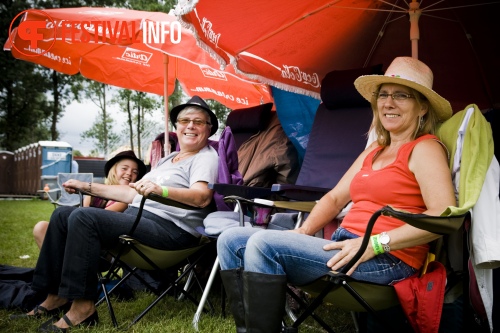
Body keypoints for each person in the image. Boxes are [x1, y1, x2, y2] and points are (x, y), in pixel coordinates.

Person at [216, 57, 457, 333]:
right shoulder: (374, 150)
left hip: (387, 259)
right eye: (383, 94)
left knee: (263, 244)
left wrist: (375, 244)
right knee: (230, 239)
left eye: (401, 95)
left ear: (422, 106)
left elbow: (442, 216)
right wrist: (304, 232)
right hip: (345, 246)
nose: (388, 103)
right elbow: (333, 199)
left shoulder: (425, 149)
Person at [11, 95, 219, 332]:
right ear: (177, 126)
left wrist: (160, 190)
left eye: (198, 122)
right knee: (63, 215)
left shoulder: (206, 158)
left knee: (84, 217)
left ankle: (83, 308)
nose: (190, 126)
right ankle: (55, 296)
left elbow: (202, 197)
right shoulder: (169, 159)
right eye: (184, 120)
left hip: (172, 231)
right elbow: (131, 193)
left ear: (209, 129)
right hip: (138, 218)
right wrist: (87, 187)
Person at [32, 150, 147, 249]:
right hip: (80, 236)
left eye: (135, 172)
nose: (129, 173)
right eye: (124, 168)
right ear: (114, 170)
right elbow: (80, 216)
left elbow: (98, 218)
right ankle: (56, 271)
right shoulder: (93, 194)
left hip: (102, 245)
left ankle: (59, 269)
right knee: (41, 227)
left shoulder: (128, 200)